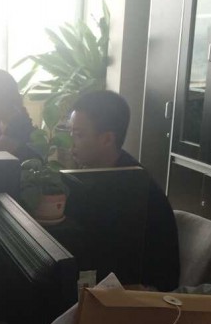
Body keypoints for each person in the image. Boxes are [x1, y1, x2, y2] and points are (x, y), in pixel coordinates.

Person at [68, 90, 180, 291]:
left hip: (140, 293)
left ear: (107, 139)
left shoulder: (133, 188)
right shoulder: (102, 174)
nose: (71, 143)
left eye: (79, 135)